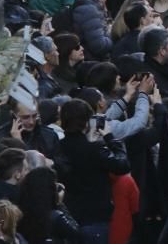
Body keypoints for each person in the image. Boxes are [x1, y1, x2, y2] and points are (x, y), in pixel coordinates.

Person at [53, 98, 131, 243]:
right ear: (86, 122)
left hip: (70, 217)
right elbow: (122, 165)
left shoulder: (57, 147)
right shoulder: (94, 149)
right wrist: (110, 138)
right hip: (96, 218)